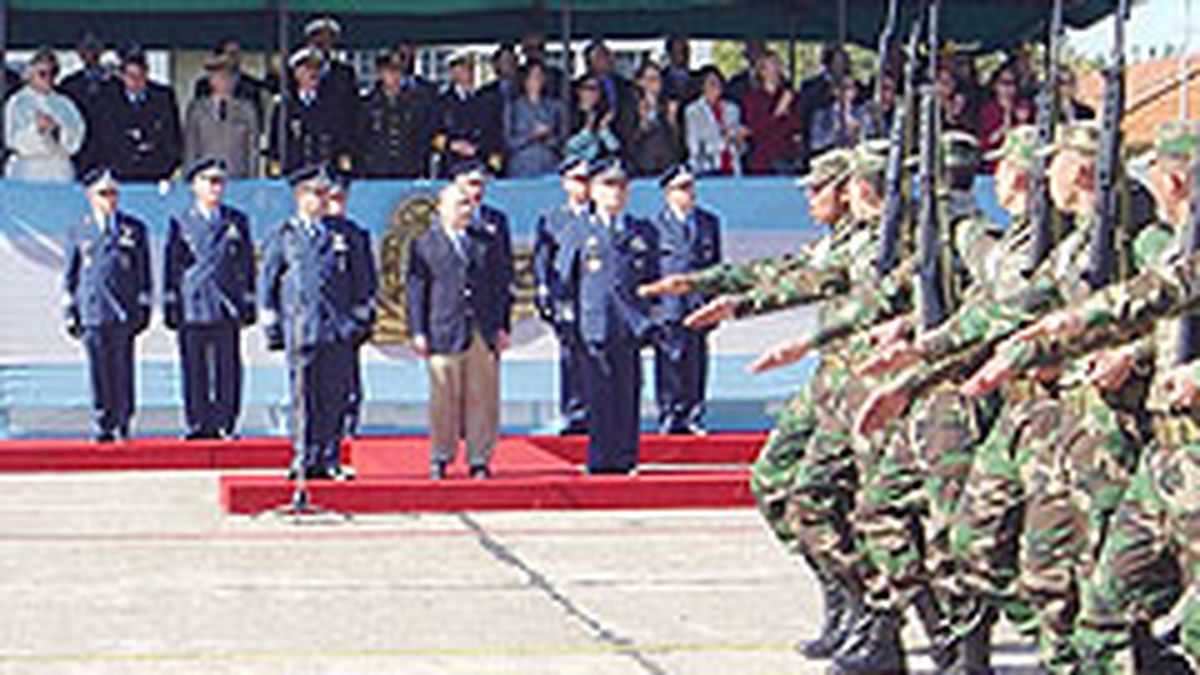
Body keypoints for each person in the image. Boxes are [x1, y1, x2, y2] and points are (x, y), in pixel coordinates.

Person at [259, 166, 374, 481]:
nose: (324, 200)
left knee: (334, 397)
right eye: (317, 193)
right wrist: (273, 329)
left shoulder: (346, 235)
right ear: (300, 197)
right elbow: (268, 285)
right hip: (301, 330)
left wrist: (358, 324)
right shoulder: (285, 236)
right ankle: (303, 459)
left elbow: (363, 283)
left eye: (327, 194)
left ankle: (330, 458)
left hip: (337, 331)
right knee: (303, 398)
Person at [559, 159, 661, 474]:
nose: (615, 193)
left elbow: (652, 279)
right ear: (592, 191)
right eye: (607, 186)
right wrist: (570, 324)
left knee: (628, 391)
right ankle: (601, 457)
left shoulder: (642, 230)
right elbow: (565, 280)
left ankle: (627, 456)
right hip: (595, 323)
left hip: (631, 325)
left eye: (620, 186)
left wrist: (649, 318)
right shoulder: (579, 230)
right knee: (599, 394)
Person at [407, 183, 512, 480]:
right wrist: (418, 331)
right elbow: (416, 291)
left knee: (482, 397)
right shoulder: (424, 244)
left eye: (468, 204)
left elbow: (501, 286)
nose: (465, 209)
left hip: (482, 329)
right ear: (441, 208)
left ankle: (479, 458)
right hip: (443, 330)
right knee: (443, 398)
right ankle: (441, 456)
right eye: (459, 204)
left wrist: (502, 325)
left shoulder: (485, 242)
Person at [162, 159, 255, 440]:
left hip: (226, 305)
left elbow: (246, 265)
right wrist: (171, 303)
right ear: (195, 186)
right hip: (194, 305)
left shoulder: (236, 221)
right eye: (209, 181)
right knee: (194, 368)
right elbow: (172, 266)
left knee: (227, 369)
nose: (216, 187)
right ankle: (197, 423)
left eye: (220, 182)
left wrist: (248, 301)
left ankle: (226, 422)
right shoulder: (181, 223)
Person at [62, 168, 151, 442]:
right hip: (93, 311)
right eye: (103, 193)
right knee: (98, 371)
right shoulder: (79, 230)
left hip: (123, 313)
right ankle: (103, 424)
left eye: (114, 193)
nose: (110, 199)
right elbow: (70, 276)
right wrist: (69, 312)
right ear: (91, 196)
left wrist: (144, 308)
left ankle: (124, 422)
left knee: (123, 370)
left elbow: (143, 273)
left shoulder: (133, 229)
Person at [652, 165, 721, 435]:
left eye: (690, 187)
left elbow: (716, 267)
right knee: (669, 360)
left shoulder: (708, 222)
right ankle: (669, 413)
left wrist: (713, 301)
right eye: (681, 188)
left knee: (696, 360)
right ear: (668, 193)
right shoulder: (655, 227)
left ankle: (694, 413)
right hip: (669, 305)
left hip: (698, 304)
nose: (688, 193)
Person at [533, 157, 592, 435]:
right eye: (577, 180)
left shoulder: (600, 214)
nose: (584, 185)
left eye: (587, 179)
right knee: (570, 356)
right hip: (567, 296)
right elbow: (543, 259)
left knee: (600, 355)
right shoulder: (553, 219)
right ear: (565, 184)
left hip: (596, 297)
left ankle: (599, 411)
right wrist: (544, 290)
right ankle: (573, 411)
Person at [325, 169, 377, 439]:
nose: (336, 204)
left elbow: (365, 279)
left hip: (346, 321)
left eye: (340, 199)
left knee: (348, 380)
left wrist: (363, 316)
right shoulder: (306, 231)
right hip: (317, 320)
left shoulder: (355, 234)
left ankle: (348, 425)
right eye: (331, 198)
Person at [94, 47, 182, 182]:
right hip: (120, 173)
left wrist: (166, 168)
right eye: (130, 76)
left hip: (156, 173)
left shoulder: (163, 97)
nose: (136, 81)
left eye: (140, 75)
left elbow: (172, 137)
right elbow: (103, 136)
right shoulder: (108, 99)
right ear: (122, 76)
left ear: (147, 73)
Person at [267, 47, 354, 177]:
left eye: (316, 69)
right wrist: (275, 170)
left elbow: (340, 139)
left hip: (324, 173)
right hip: (293, 173)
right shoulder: (284, 106)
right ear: (296, 73)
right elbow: (276, 143)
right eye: (307, 69)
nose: (313, 73)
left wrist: (343, 167)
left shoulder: (331, 104)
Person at [5, 49, 86, 183]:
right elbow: (13, 139)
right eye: (42, 73)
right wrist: (37, 130)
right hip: (28, 173)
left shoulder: (65, 104)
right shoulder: (17, 102)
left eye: (53, 73)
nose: (48, 78)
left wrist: (57, 132)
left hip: (59, 173)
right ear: (30, 74)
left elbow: (77, 137)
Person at [356, 51, 437, 179]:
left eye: (398, 71)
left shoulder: (417, 102)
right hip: (376, 170)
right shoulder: (367, 104)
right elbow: (360, 139)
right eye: (390, 71)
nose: (395, 76)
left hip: (409, 169)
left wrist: (422, 167)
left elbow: (423, 136)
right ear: (380, 73)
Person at [184, 54, 260, 179]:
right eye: (218, 77)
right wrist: (189, 177)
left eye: (228, 77)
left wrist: (252, 179)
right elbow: (190, 149)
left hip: (238, 177)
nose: (223, 81)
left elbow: (252, 150)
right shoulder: (197, 110)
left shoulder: (247, 110)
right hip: (206, 177)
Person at [59, 32, 114, 176]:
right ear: (79, 53)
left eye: (94, 48)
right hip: (78, 154)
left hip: (110, 155)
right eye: (86, 48)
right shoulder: (68, 85)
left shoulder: (115, 84)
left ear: (102, 51)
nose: (90, 53)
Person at [434, 51, 493, 177]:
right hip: (451, 164)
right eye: (459, 70)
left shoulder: (484, 100)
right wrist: (451, 145)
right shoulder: (441, 101)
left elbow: (491, 132)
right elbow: (432, 133)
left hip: (477, 163)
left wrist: (478, 149)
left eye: (468, 69)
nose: (465, 74)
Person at [741, 51, 799, 175]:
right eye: (772, 65)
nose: (776, 70)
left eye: (778, 65)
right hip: (763, 162)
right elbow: (756, 128)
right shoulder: (752, 99)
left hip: (787, 158)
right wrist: (778, 112)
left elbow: (795, 125)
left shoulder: (788, 95)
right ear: (762, 71)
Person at [504, 61, 565, 178]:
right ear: (525, 80)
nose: (537, 80)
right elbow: (508, 142)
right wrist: (531, 136)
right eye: (533, 76)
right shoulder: (513, 107)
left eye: (540, 76)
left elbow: (561, 139)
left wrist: (547, 137)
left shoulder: (555, 106)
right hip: (521, 165)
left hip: (548, 164)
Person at [192, 38, 273, 125]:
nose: (235, 59)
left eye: (237, 54)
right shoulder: (203, 85)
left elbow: (257, 119)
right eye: (231, 54)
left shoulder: (250, 86)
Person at [796, 43, 849, 173]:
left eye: (844, 63)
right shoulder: (812, 86)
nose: (841, 67)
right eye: (837, 62)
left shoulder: (852, 84)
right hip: (820, 142)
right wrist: (831, 96)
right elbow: (806, 111)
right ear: (828, 63)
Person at [685, 66, 745, 176]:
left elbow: (740, 149)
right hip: (706, 170)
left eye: (719, 83)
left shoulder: (732, 109)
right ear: (702, 86)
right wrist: (724, 141)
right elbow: (695, 149)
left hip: (732, 170)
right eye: (712, 83)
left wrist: (740, 140)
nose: (716, 87)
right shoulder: (693, 111)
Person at [301, 15, 360, 129]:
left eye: (329, 38)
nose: (324, 42)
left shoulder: (345, 74)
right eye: (318, 37)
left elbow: (353, 111)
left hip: (338, 142)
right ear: (309, 41)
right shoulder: (296, 72)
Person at [627, 61, 681, 178]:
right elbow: (628, 142)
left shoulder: (667, 106)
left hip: (667, 167)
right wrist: (643, 121)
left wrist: (672, 120)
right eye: (650, 79)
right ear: (640, 82)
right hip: (641, 169)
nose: (654, 83)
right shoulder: (631, 107)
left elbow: (678, 143)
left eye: (657, 79)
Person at [978, 61, 1034, 169]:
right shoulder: (987, 110)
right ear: (995, 85)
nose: (1008, 89)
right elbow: (983, 143)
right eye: (1004, 83)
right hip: (992, 166)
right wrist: (1002, 128)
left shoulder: (1022, 107)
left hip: (1019, 165)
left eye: (1012, 83)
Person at [580, 40, 635, 148]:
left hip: (623, 139)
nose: (607, 60)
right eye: (600, 57)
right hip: (592, 140)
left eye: (608, 55)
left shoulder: (624, 84)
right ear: (589, 62)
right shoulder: (583, 85)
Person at [565, 76, 620, 163]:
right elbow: (568, 147)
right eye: (589, 88)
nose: (593, 93)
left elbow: (615, 148)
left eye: (597, 89)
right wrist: (587, 130)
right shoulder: (569, 114)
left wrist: (604, 129)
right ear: (579, 91)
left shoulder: (603, 114)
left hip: (601, 167)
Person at [662, 36, 699, 106]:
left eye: (686, 50)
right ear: (670, 53)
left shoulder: (699, 78)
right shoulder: (660, 79)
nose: (684, 55)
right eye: (679, 51)